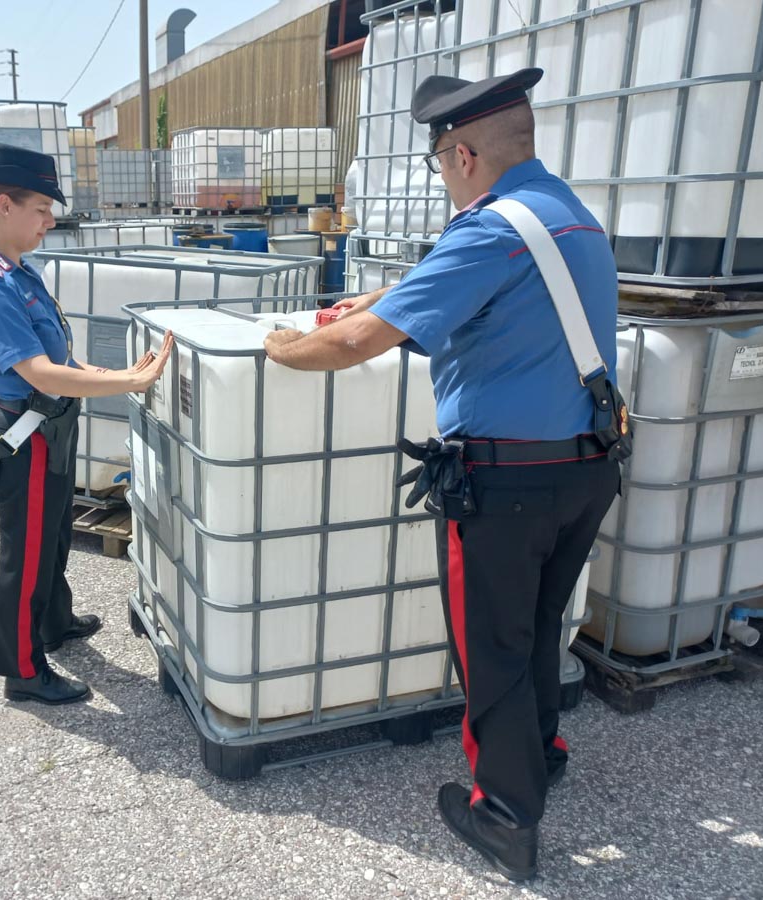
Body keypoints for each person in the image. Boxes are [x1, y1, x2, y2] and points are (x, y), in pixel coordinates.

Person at [263, 69, 623, 881]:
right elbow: (472, 299)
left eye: (439, 165)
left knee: (491, 645)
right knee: (535, 624)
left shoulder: (487, 230)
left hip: (507, 487)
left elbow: (351, 346)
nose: (443, 180)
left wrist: (282, 347)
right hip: (587, 467)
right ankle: (541, 752)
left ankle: (505, 815)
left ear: (462, 155)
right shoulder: (569, 215)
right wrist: (378, 302)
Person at [0, 143, 174, 706]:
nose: (50, 221)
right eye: (41, 209)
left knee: (53, 534)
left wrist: (112, 372)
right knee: (25, 554)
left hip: (50, 427)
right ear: (5, 205)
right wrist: (127, 382)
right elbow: (40, 372)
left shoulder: (19, 273)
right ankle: (22, 670)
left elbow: (61, 357)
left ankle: (53, 622)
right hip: (24, 436)